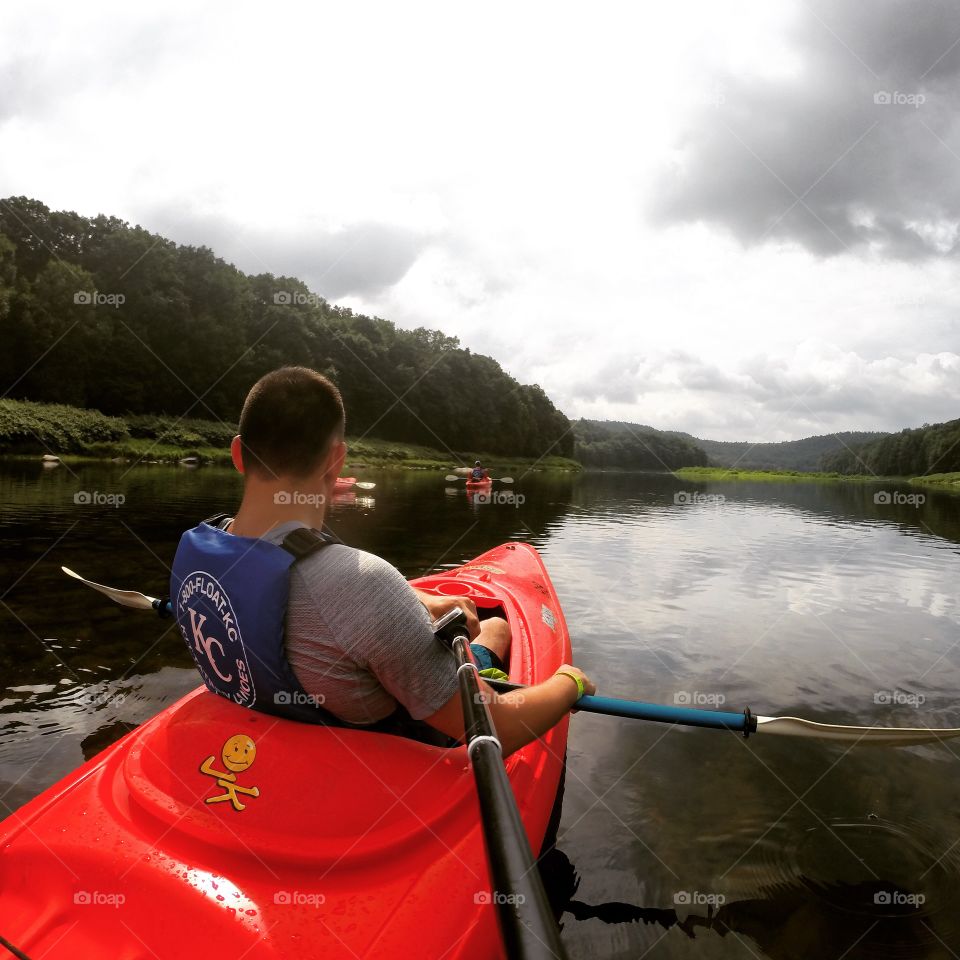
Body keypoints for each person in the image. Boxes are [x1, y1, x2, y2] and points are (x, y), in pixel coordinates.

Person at [170, 366, 595, 755]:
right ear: (337, 461)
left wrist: (417, 600)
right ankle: (493, 678)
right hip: (378, 764)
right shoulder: (363, 582)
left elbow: (301, 589)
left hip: (271, 728)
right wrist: (568, 684)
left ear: (238, 454)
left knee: (477, 629)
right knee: (498, 627)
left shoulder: (197, 552)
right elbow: (492, 726)